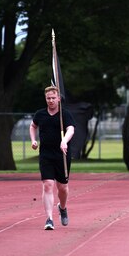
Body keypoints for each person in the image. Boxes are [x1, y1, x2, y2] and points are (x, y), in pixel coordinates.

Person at [29, 86, 75, 230]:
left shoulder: (64, 115)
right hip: (46, 155)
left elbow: (71, 129)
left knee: (63, 188)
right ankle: (49, 219)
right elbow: (32, 126)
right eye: (48, 98)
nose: (51, 100)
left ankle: (62, 207)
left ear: (58, 99)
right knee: (48, 184)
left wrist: (64, 141)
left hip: (62, 155)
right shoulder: (40, 114)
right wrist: (33, 140)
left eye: (53, 98)